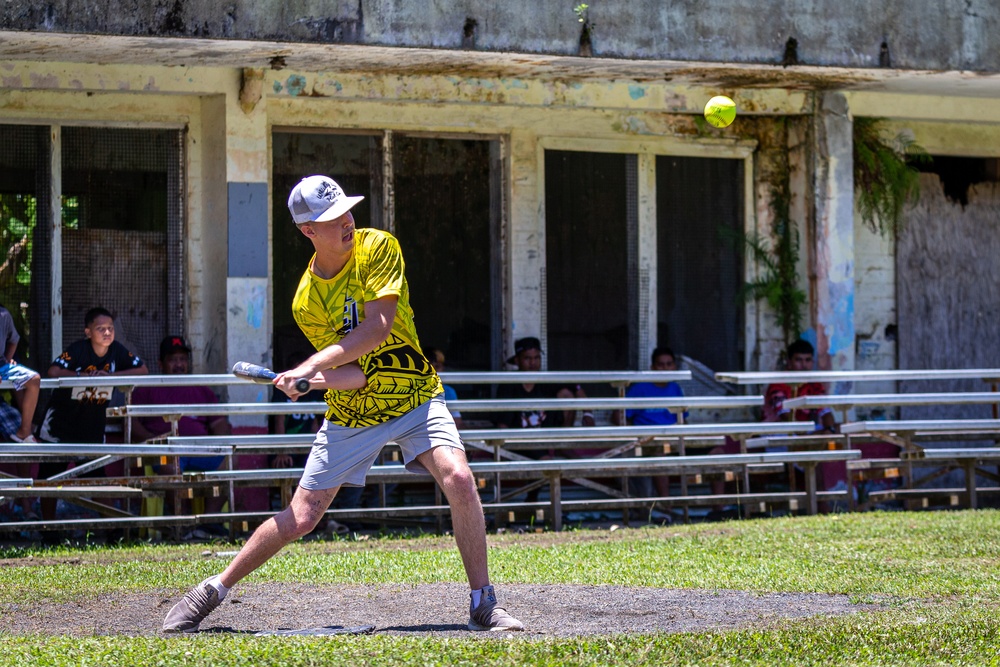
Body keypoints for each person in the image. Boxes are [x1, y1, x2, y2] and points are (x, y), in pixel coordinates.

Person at [163, 175, 522, 633]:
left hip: (416, 395)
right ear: (308, 230)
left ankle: (483, 602)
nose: (347, 222)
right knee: (303, 517)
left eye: (347, 210)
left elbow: (377, 327)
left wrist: (310, 364)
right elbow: (358, 374)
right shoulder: (307, 301)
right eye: (333, 218)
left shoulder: (378, 247)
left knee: (460, 477)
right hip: (357, 412)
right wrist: (311, 382)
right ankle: (211, 591)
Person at [36, 307, 148, 521]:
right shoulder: (78, 350)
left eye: (110, 328)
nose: (107, 333)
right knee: (48, 478)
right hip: (60, 427)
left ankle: (112, 527)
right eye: (100, 329)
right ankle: (47, 529)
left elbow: (142, 370)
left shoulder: (117, 350)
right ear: (88, 332)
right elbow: (54, 371)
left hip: (91, 428)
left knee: (98, 479)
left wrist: (110, 376)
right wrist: (82, 376)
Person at [130, 335, 231, 535]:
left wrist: (218, 443)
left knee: (228, 462)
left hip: (200, 450)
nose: (179, 364)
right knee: (171, 465)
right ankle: (181, 523)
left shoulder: (200, 389)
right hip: (166, 450)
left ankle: (209, 521)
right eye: (173, 360)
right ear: (161, 363)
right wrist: (154, 441)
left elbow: (219, 424)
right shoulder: (147, 389)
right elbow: (131, 424)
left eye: (183, 359)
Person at [618, 347, 687, 498]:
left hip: (674, 440)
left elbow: (684, 418)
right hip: (648, 442)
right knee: (660, 452)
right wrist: (635, 433)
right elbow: (618, 416)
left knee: (717, 452)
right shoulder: (640, 389)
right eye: (661, 365)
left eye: (669, 364)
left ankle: (719, 509)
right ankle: (667, 508)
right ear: (652, 367)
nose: (665, 369)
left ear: (675, 367)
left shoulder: (676, 388)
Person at [0, 304, 43, 519]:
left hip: (2, 401)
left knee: (33, 379)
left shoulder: (4, 314)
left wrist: (6, 360)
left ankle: (24, 433)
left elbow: (14, 339)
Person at [423, 346, 464, 429]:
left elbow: (457, 423)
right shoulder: (407, 389)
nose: (433, 372)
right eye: (430, 367)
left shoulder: (448, 391)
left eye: (437, 367)